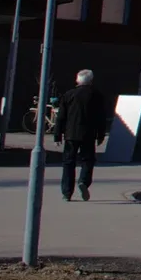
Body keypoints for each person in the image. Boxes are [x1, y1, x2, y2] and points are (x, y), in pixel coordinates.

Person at [52, 69, 108, 202]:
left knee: (68, 162)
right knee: (88, 160)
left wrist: (57, 135)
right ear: (91, 81)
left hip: (71, 134)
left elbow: (61, 117)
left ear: (77, 80)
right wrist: (101, 134)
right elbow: (101, 117)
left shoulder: (69, 95)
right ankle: (83, 181)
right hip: (89, 134)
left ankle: (67, 192)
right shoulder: (97, 95)